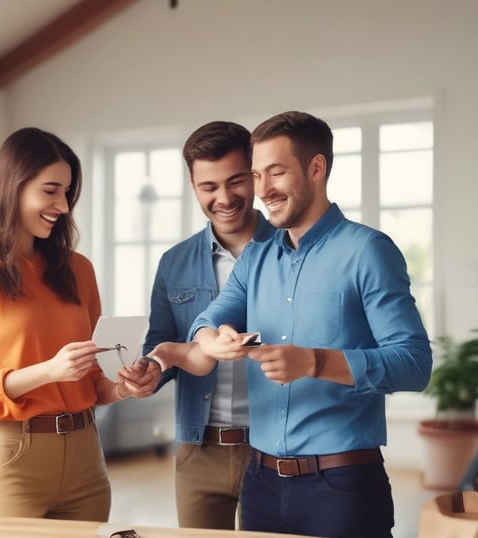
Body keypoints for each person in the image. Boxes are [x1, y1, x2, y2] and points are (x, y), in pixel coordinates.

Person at [156, 111, 432, 537]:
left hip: (342, 485)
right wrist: (214, 338)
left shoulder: (368, 251)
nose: (263, 190)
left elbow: (414, 363)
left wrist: (314, 362)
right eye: (257, 174)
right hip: (261, 484)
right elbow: (210, 318)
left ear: (316, 168)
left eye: (277, 173)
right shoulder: (257, 257)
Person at [0, 127, 159, 521]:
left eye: (68, 192)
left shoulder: (78, 269)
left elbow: (94, 384)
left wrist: (125, 386)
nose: (63, 205)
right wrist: (48, 371)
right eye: (50, 190)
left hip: (87, 458)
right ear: (12, 187)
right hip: (11, 459)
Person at [142, 121, 274, 529]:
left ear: (255, 174)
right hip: (199, 449)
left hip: (275, 448)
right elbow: (161, 344)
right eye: (208, 187)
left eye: (236, 181)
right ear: (192, 184)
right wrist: (150, 371)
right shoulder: (174, 263)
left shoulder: (291, 250)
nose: (224, 198)